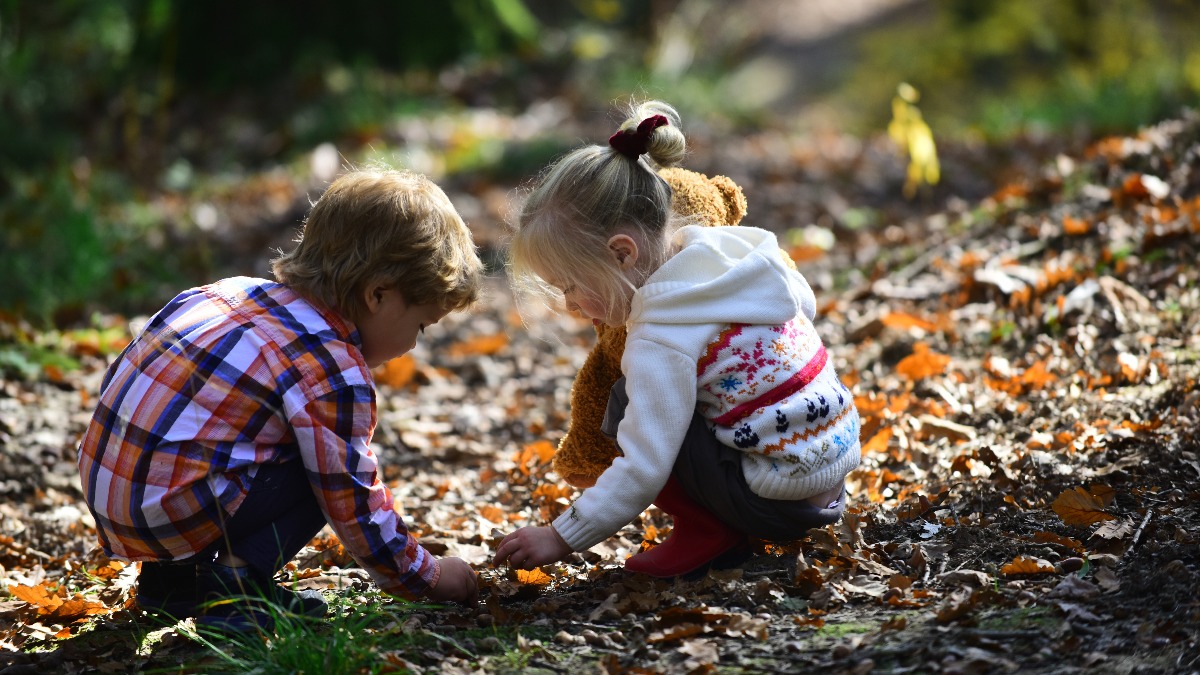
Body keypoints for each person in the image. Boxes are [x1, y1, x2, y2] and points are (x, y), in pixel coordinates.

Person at [77, 169, 483, 631]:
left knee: (225, 434)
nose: (413, 345)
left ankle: (170, 583)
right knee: (326, 465)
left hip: (110, 495)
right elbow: (353, 500)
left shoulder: (221, 293)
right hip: (175, 510)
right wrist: (426, 577)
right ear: (378, 295)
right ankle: (237, 591)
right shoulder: (332, 370)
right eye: (421, 326)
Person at [494, 101, 861, 578]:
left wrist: (561, 535)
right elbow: (804, 306)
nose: (569, 305)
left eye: (570, 285)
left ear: (621, 254)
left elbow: (645, 466)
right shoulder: (735, 252)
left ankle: (709, 532)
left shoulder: (662, 337)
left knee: (628, 398)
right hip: (833, 481)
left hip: (776, 505)